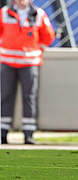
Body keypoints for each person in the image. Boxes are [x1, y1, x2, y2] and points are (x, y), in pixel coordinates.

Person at [0, 0, 55, 144]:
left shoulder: (38, 14)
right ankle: (2, 133)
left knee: (29, 98)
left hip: (29, 63)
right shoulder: (4, 12)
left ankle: (29, 134)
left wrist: (36, 49)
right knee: (5, 96)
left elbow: (49, 36)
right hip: (7, 62)